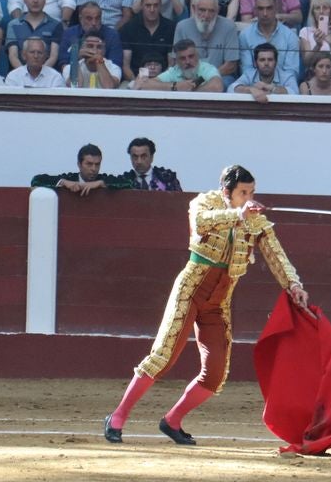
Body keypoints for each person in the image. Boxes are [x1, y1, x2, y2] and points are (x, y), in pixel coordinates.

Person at [104, 164, 309, 445]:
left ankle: (172, 420)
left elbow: (275, 254)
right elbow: (202, 222)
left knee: (215, 374)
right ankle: (117, 417)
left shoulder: (255, 218)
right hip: (190, 290)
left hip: (219, 299)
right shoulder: (204, 202)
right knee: (162, 356)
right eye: (243, 192)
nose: (249, 197)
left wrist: (294, 285)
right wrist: (238, 214)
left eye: (252, 192)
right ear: (226, 191)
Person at [173, 0, 241, 82]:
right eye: (202, 10)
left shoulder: (229, 27)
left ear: (218, 11)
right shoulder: (182, 27)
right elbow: (176, 61)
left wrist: (202, 79)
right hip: (188, 76)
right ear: (194, 8)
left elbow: (231, 66)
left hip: (219, 76)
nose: (206, 15)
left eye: (211, 11)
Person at [239, 0, 302, 79]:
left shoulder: (290, 36)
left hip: (283, 84)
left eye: (269, 8)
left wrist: (275, 87)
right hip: (254, 84)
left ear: (276, 9)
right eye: (261, 9)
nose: (265, 13)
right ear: (255, 10)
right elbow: (246, 69)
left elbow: (291, 71)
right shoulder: (245, 35)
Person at [120, 0, 176, 82]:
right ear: (141, 5)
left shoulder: (171, 28)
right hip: (134, 80)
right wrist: (136, 83)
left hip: (164, 81)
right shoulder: (129, 28)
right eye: (148, 5)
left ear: (161, 6)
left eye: (155, 5)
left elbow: (171, 65)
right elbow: (125, 66)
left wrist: (157, 83)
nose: (152, 9)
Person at [31, 143, 133, 194]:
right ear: (79, 164)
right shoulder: (70, 178)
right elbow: (36, 180)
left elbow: (129, 183)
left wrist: (101, 183)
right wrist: (63, 182)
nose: (93, 169)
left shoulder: (104, 179)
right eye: (89, 164)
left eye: (97, 164)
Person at [6, 0, 63, 68]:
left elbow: (53, 57)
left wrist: (39, 75)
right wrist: (25, 75)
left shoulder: (56, 25)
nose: (35, 0)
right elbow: (13, 56)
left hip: (47, 76)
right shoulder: (13, 25)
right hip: (19, 76)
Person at [134, 37, 225, 92]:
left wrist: (188, 92)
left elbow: (217, 86)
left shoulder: (206, 68)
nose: (188, 61)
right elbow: (144, 85)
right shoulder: (174, 71)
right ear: (176, 60)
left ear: (197, 56)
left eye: (191, 56)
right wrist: (175, 86)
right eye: (182, 58)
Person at [57, 0, 122, 71]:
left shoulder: (112, 35)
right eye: (89, 18)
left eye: (97, 18)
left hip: (105, 75)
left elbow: (116, 65)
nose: (94, 23)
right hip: (76, 76)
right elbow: (63, 63)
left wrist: (98, 59)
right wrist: (77, 57)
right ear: (80, 18)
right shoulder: (70, 34)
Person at [232, 42, 300, 101]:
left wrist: (272, 88)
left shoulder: (287, 76)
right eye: (262, 60)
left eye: (270, 59)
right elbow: (231, 88)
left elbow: (295, 92)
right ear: (255, 63)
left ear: (276, 62)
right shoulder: (248, 75)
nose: (266, 63)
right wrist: (250, 89)